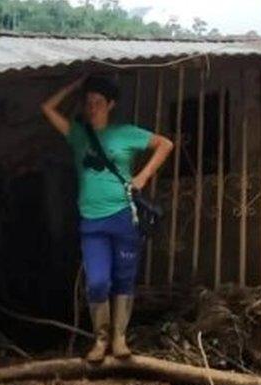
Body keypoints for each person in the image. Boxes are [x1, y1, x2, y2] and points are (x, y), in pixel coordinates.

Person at [40, 75, 173, 362]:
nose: (92, 107)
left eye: (98, 102)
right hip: (91, 220)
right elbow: (47, 109)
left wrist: (143, 176)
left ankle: (120, 339)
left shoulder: (125, 133)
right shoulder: (77, 134)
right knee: (98, 281)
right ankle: (100, 339)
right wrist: (73, 85)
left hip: (123, 216)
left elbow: (165, 144)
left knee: (124, 279)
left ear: (110, 104)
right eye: (88, 103)